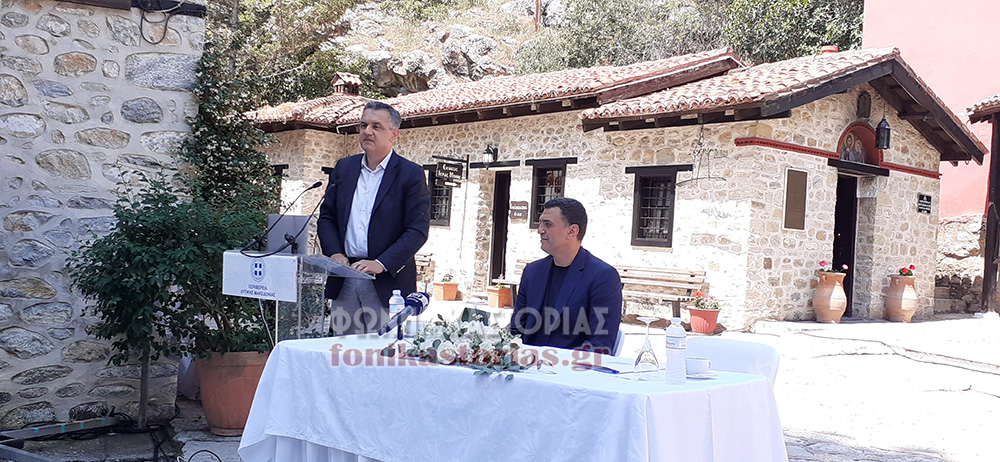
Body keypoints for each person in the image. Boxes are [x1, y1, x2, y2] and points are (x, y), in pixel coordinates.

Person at [317, 101, 431, 335]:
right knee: (343, 350)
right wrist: (335, 253)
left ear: (394, 135)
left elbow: (417, 230)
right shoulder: (344, 168)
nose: (367, 131)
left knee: (383, 352)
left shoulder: (410, 174)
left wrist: (381, 263)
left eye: (376, 126)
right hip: (345, 276)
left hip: (387, 283)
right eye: (363, 125)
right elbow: (327, 217)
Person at [509, 198, 622, 354]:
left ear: (572, 231)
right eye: (540, 223)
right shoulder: (532, 271)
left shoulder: (603, 277)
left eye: (548, 224)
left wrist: (553, 362)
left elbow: (600, 345)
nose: (540, 230)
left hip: (572, 367)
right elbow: (515, 331)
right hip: (525, 363)